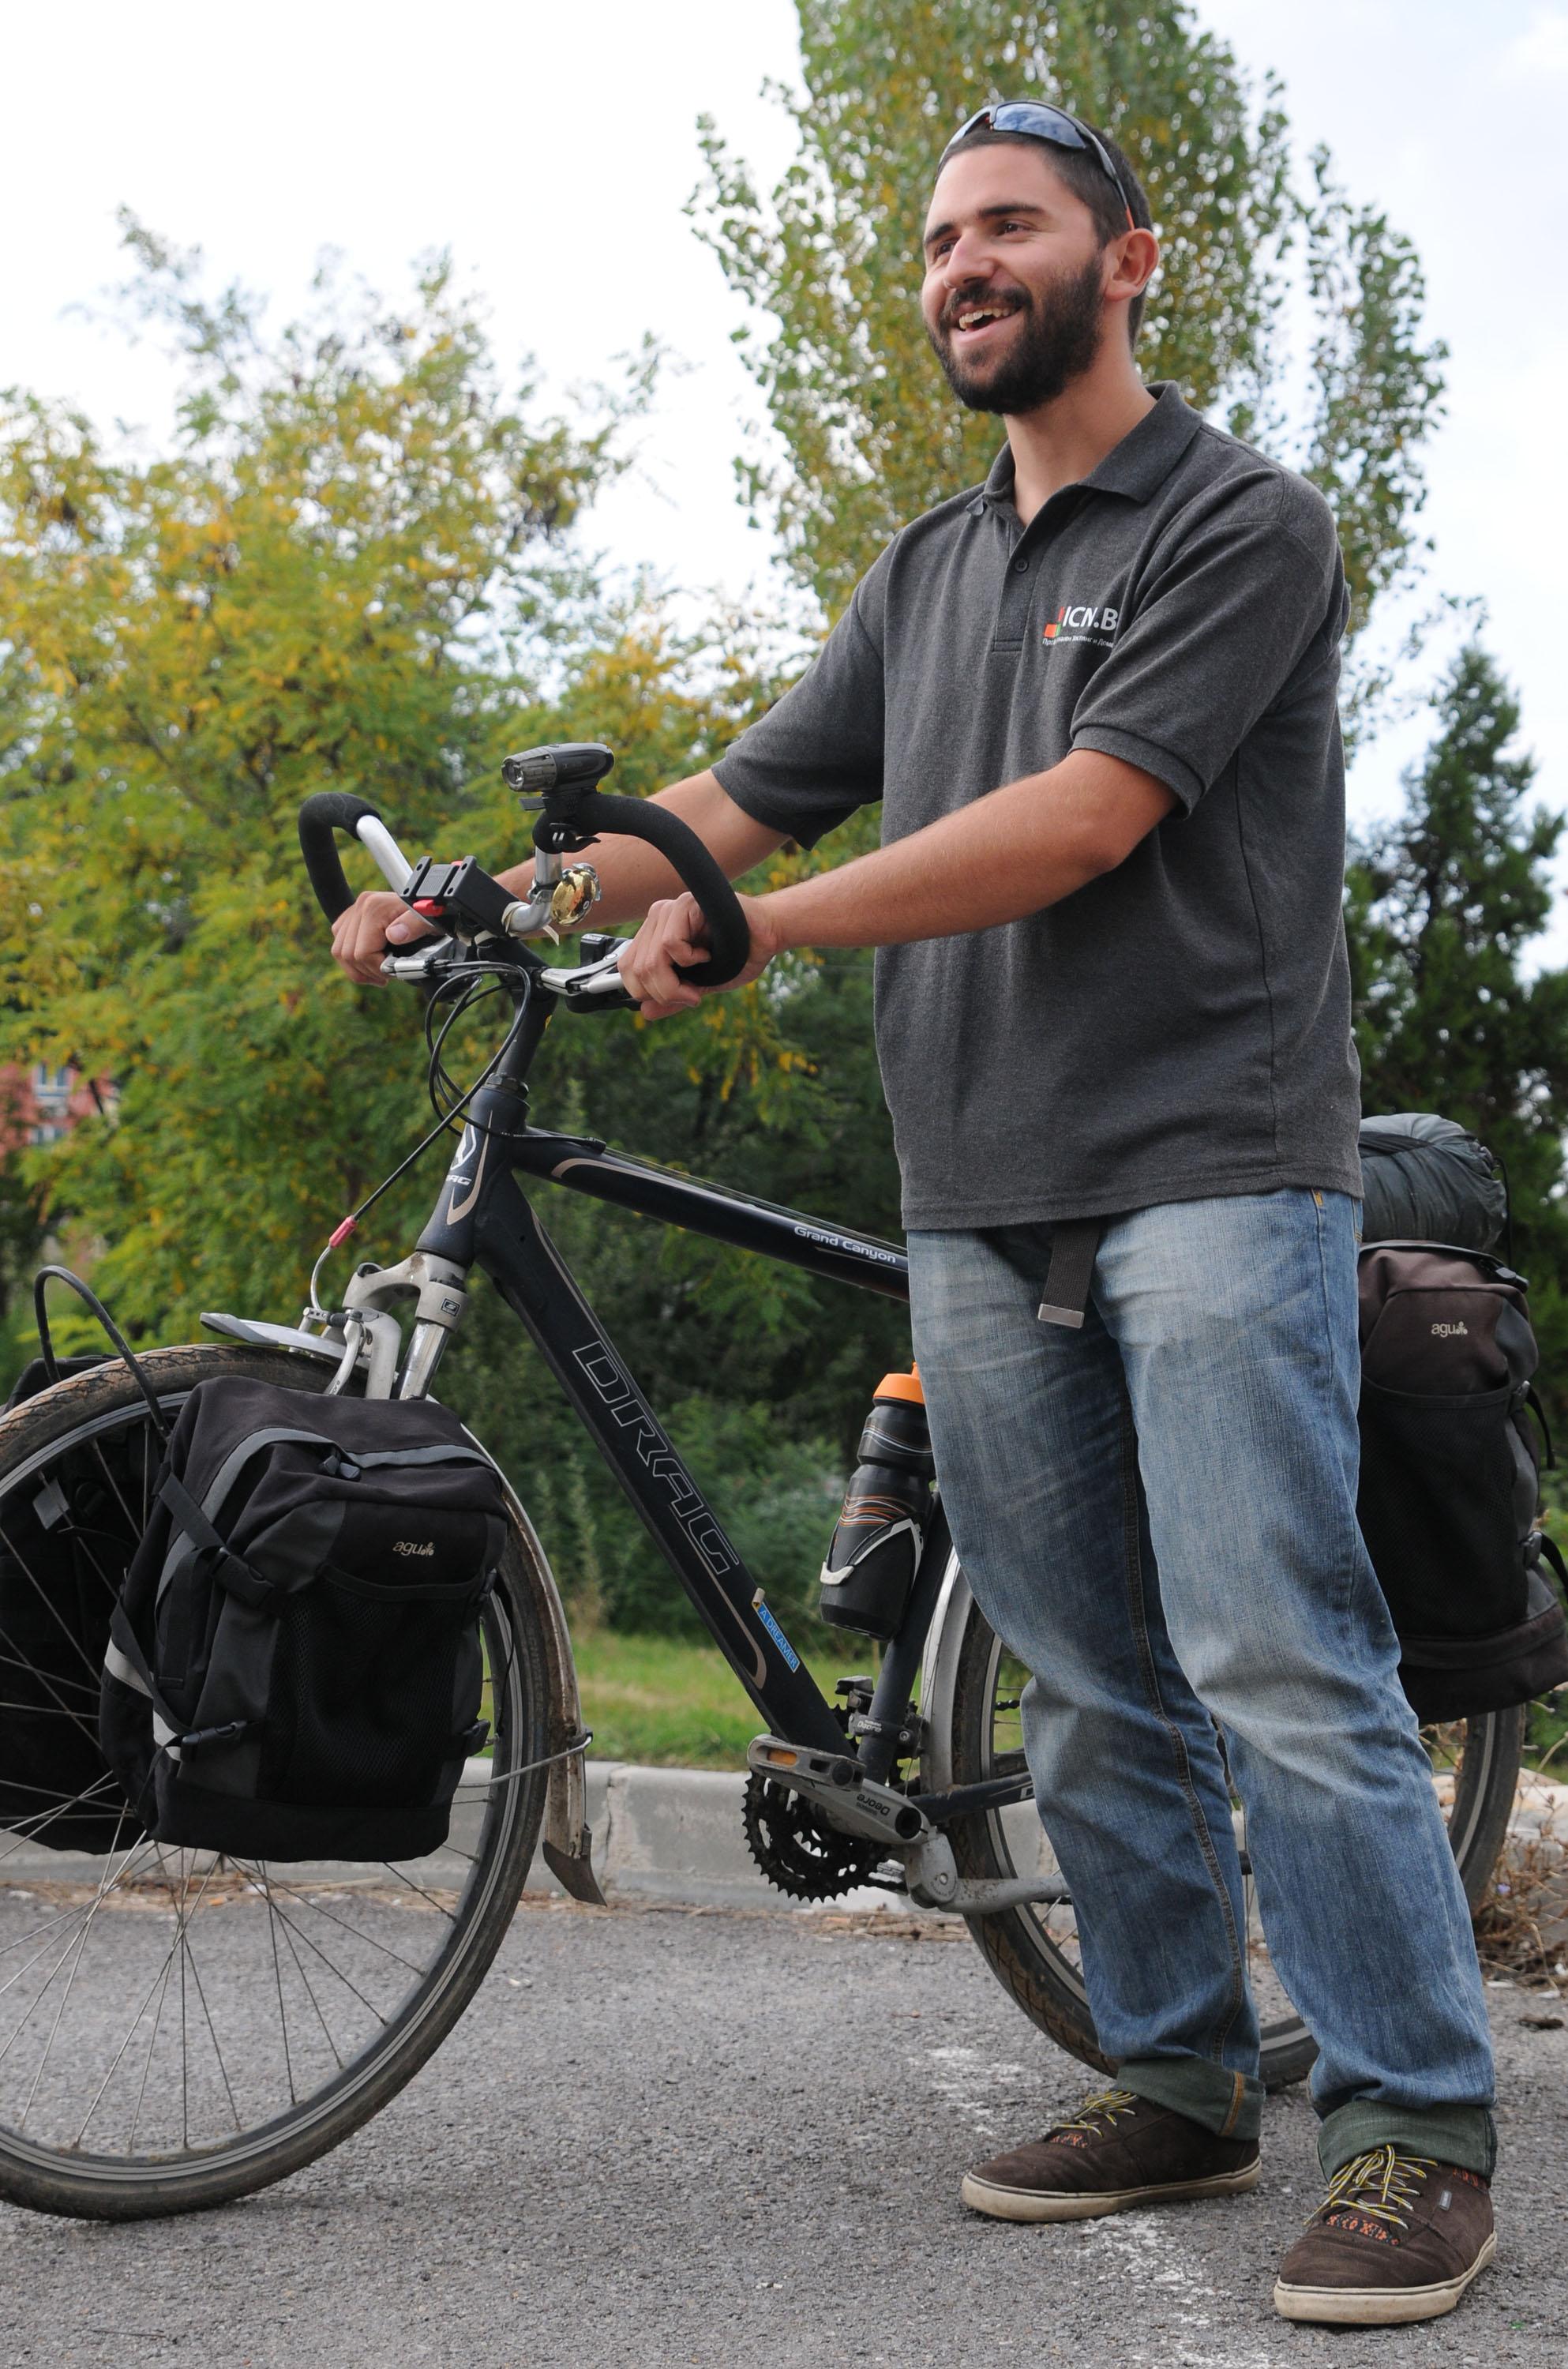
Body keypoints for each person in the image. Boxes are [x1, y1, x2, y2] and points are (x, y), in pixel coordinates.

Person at [332, 101, 1499, 2328]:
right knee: (1084, 1675)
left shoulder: (1239, 521)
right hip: (976, 1179)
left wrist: (762, 929)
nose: (965, 263)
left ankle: (1414, 2131)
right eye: (942, 237)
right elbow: (730, 802)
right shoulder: (929, 567)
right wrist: (483, 895)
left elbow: (1082, 819)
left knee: (1272, 1655)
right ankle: (1173, 2077)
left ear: (1125, 260)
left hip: (1211, 1164)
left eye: (1010, 226)